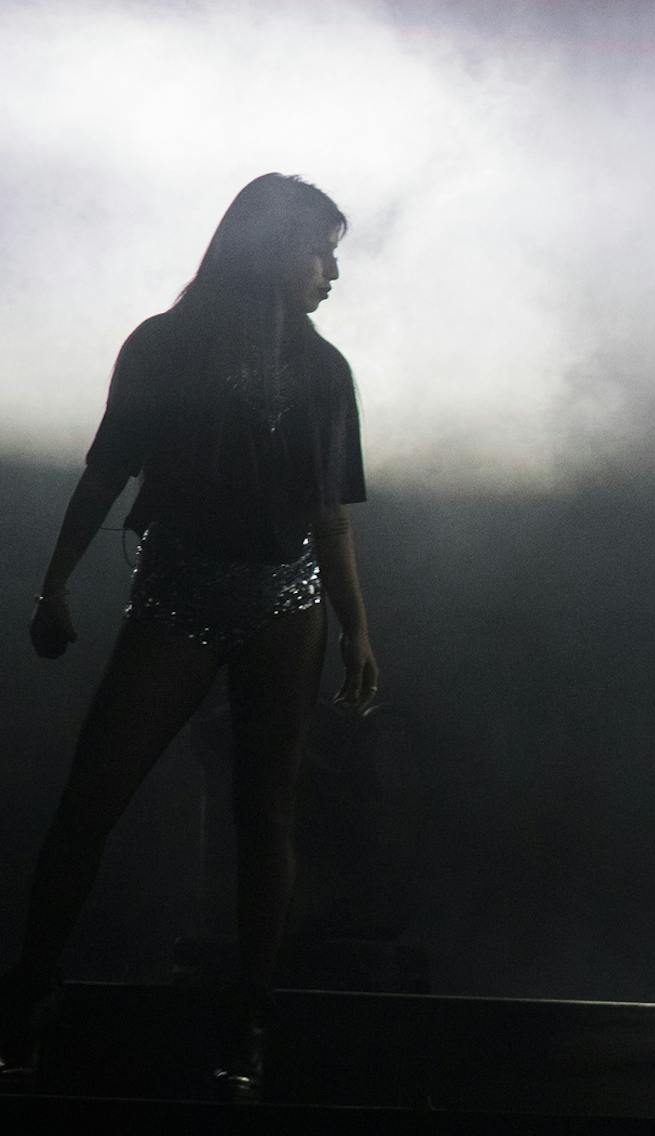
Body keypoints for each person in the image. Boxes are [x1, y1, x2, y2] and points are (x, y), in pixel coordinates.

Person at [0, 173, 379, 1100]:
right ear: (268, 249)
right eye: (317, 250)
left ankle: (252, 1017)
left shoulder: (325, 371)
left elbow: (329, 517)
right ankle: (27, 1001)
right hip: (177, 593)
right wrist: (53, 585)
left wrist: (356, 630)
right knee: (92, 799)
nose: (331, 272)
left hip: (283, 602)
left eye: (335, 253)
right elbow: (104, 473)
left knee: (268, 814)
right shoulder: (166, 347)